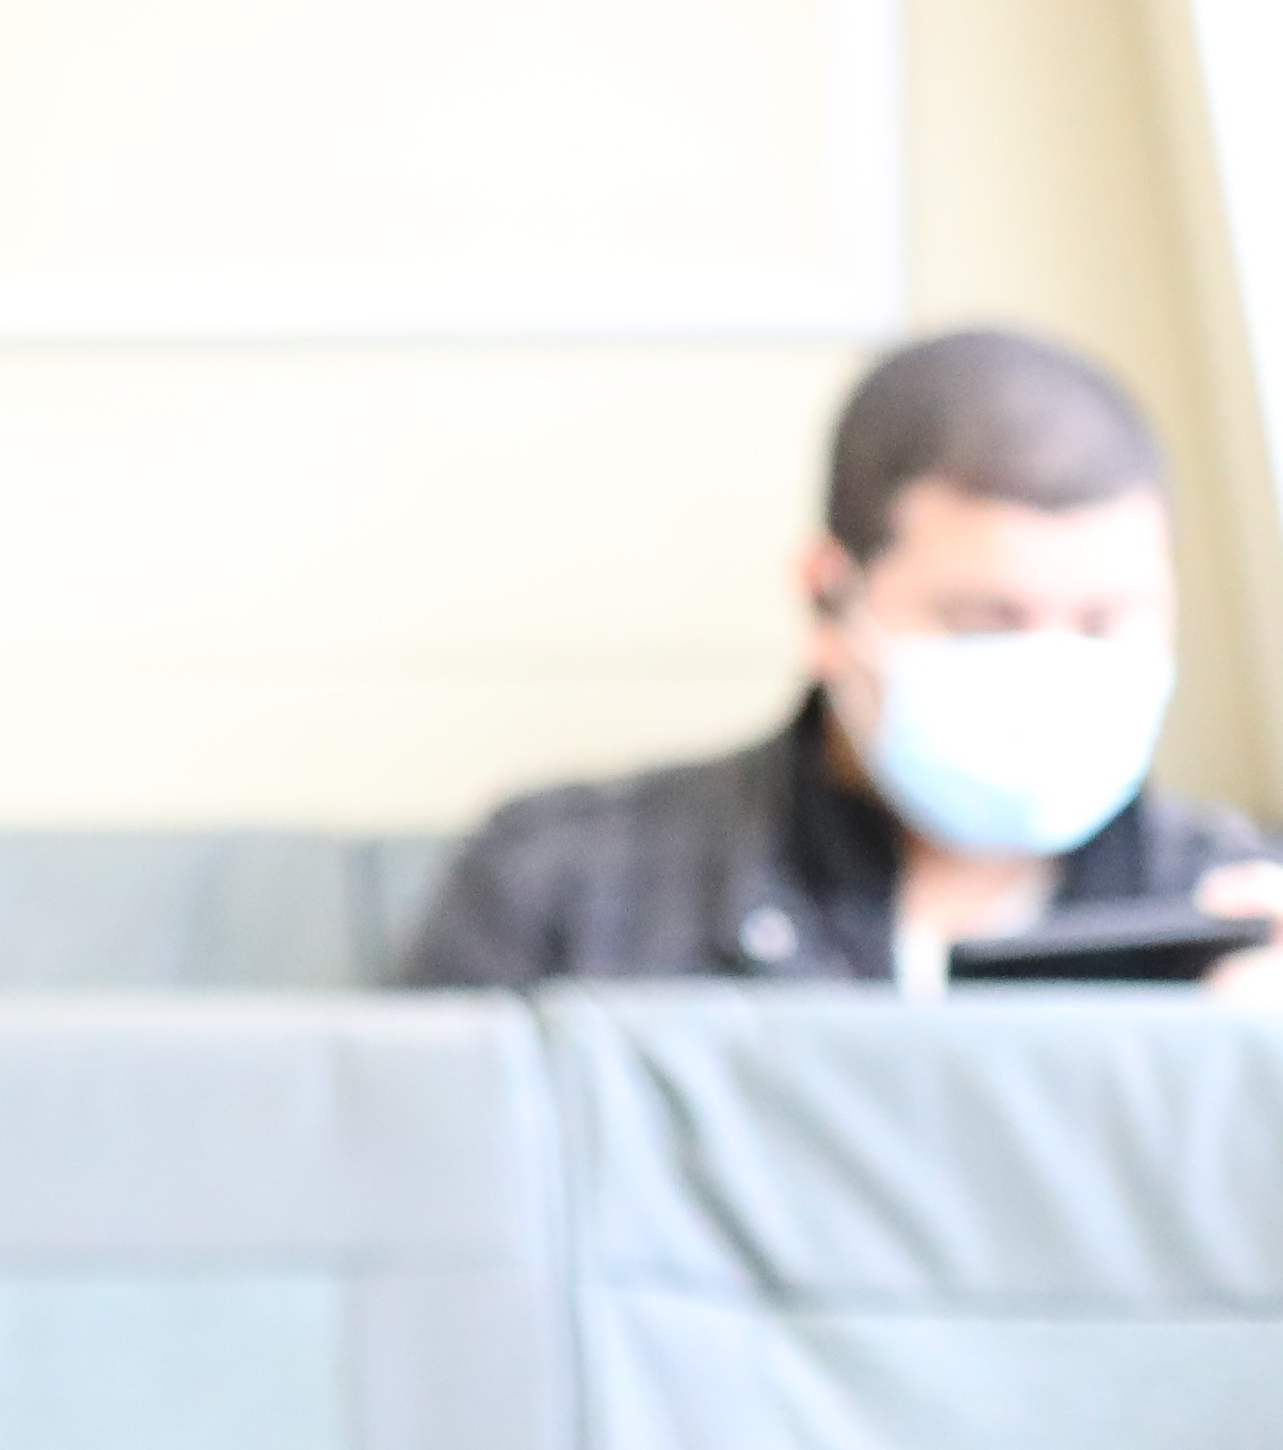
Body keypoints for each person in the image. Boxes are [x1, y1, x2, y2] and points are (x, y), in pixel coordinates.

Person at [402, 327, 1283, 992]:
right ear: (828, 597)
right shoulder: (566, 890)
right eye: (986, 621)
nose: (1049, 666)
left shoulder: (1235, 906)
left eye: (1103, 622)